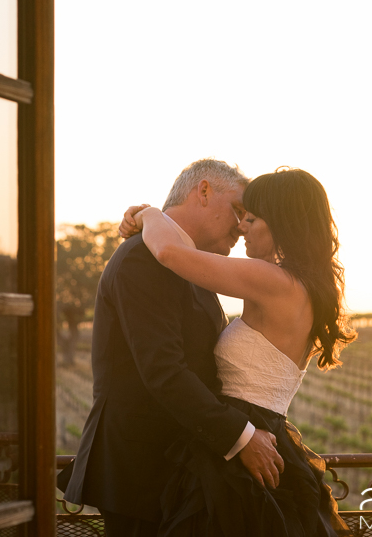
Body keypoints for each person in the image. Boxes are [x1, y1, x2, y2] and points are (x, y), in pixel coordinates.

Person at [121, 166, 356, 537]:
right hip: (263, 429)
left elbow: (169, 251)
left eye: (251, 217)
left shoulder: (271, 280)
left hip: (244, 441)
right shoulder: (301, 286)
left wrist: (150, 213)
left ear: (280, 223)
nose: (242, 226)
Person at [57, 159, 284, 537]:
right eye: (239, 210)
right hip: (139, 473)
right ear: (205, 191)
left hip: (176, 469)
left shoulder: (193, 266)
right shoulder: (140, 259)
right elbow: (163, 370)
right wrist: (241, 436)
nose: (242, 225)